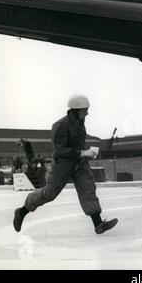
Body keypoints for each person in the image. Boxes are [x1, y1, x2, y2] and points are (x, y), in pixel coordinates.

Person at [13, 94, 118, 234]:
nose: (87, 113)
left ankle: (98, 224)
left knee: (88, 189)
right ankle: (22, 211)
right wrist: (83, 153)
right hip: (62, 165)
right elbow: (60, 149)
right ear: (76, 110)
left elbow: (77, 144)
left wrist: (87, 153)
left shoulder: (80, 122)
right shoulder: (59, 126)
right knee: (49, 193)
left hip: (79, 164)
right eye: (85, 110)